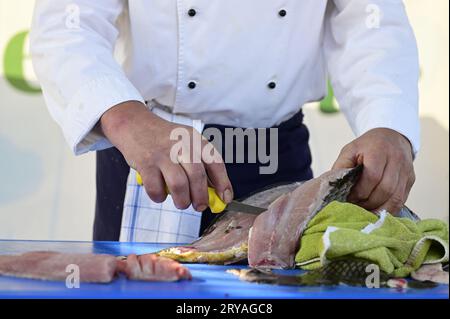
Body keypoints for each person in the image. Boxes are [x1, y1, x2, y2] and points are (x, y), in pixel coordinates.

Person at [30, 1, 419, 241]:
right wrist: (125, 118)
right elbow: (68, 24)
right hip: (152, 156)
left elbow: (370, 22)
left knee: (269, 295)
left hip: (275, 156)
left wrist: (388, 125)